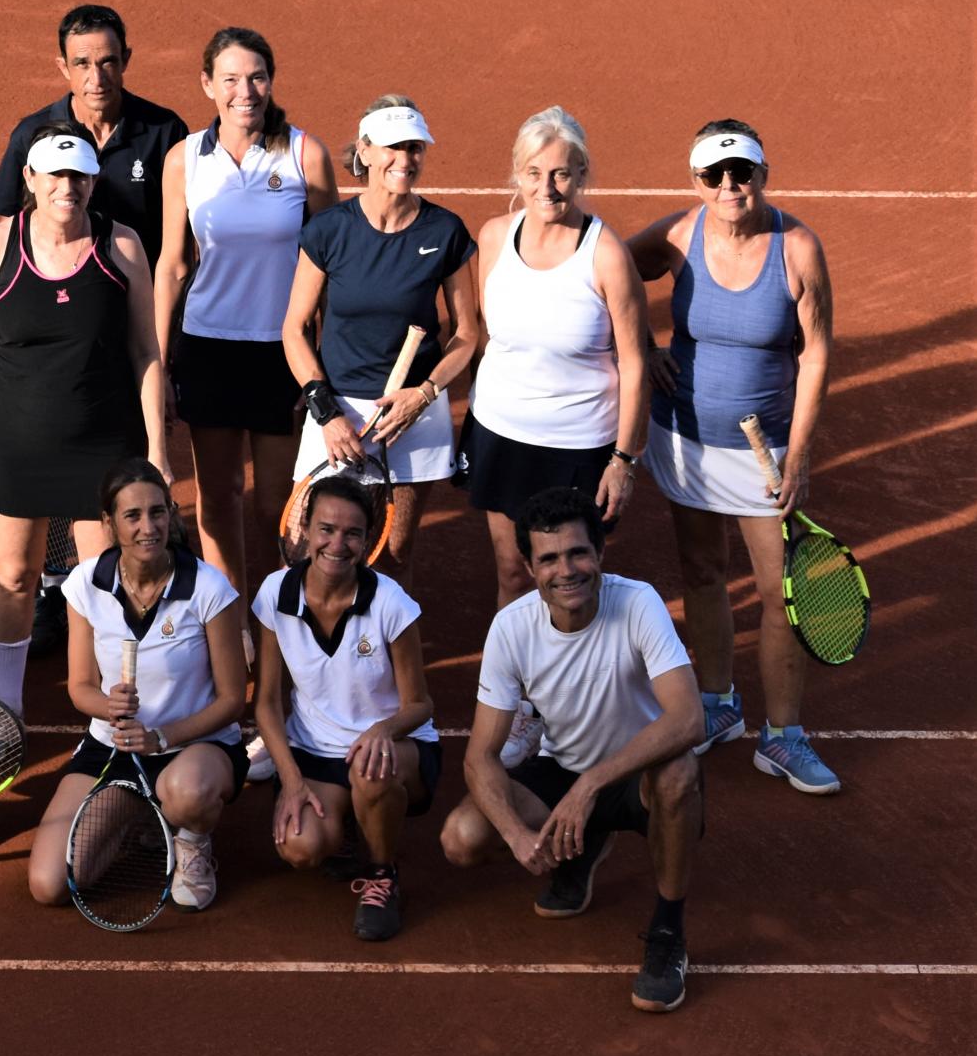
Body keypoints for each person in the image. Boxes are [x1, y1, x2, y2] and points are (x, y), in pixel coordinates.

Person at [628, 121, 839, 793]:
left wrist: (799, 451)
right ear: (695, 181)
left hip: (765, 450)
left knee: (782, 595)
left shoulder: (797, 248)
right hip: (685, 438)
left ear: (763, 174)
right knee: (701, 569)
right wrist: (644, 347)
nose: (729, 186)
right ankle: (717, 703)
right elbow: (606, 274)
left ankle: (783, 736)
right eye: (714, 176)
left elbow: (816, 354)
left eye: (741, 173)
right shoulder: (676, 236)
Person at [439, 488, 705, 1013]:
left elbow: (688, 718)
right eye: (550, 558)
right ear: (530, 567)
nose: (567, 570)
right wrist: (517, 837)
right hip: (563, 769)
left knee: (679, 772)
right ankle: (584, 845)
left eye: (578, 552)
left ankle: (668, 930)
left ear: (601, 552)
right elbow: (479, 757)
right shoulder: (511, 629)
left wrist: (590, 785)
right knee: (462, 838)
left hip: (638, 775)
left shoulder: (638, 603)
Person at [0, 127, 164, 719]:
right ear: (31, 180)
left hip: (103, 446)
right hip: (15, 444)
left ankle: (96, 710)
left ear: (94, 180)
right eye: (54, 175)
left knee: (97, 583)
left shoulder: (122, 248)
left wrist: (157, 451)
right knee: (15, 577)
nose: (66, 187)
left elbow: (146, 352)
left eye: (78, 176)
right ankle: (11, 707)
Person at [461, 107, 648, 767]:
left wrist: (624, 458)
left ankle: (588, 703)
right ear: (517, 174)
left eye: (563, 174)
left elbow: (635, 360)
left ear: (583, 176)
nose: (548, 188)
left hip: (580, 443)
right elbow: (481, 337)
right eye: (535, 173)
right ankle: (518, 709)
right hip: (502, 434)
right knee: (513, 573)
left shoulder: (606, 254)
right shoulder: (491, 238)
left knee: (576, 578)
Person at [155, 27, 339, 594]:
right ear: (207, 84)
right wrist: (160, 365)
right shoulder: (184, 159)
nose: (245, 90)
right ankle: (230, 625)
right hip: (207, 347)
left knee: (278, 508)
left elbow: (332, 262)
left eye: (256, 76)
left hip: (279, 350)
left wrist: (322, 355)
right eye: (230, 79)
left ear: (271, 81)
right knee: (218, 498)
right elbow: (172, 264)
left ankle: (288, 617)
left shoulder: (305, 153)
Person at [27, 459, 249, 912]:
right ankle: (145, 814)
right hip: (115, 746)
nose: (148, 527)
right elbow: (81, 688)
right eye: (132, 516)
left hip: (194, 747)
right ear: (108, 524)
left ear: (170, 513)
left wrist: (161, 738)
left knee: (187, 791)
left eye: (158, 512)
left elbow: (231, 699)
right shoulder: (85, 586)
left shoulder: (208, 588)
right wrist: (108, 707)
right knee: (49, 885)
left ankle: (190, 836)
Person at [280, 96, 481, 569]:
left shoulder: (445, 231)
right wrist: (326, 412)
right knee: (302, 556)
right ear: (365, 151)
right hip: (336, 412)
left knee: (390, 558)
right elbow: (295, 327)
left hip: (413, 417)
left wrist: (425, 394)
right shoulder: (330, 230)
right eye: (393, 147)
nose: (405, 160)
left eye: (414, 148)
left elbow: (467, 333)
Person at [251, 478, 439, 941]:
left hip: (396, 749)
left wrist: (383, 729)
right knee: (301, 848)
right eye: (326, 529)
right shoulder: (276, 593)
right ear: (305, 532)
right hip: (316, 752)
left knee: (371, 769)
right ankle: (355, 820)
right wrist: (291, 781)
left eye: (352, 533)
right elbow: (267, 703)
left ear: (368, 539)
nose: (338, 543)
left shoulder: (392, 603)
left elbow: (421, 704)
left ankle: (382, 874)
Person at [0, 4, 189, 267]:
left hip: (141, 294)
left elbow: (184, 238)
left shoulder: (165, 132)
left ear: (126, 59)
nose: (97, 78)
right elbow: (10, 230)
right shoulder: (31, 135)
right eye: (82, 64)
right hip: (62, 295)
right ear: (64, 67)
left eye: (108, 62)